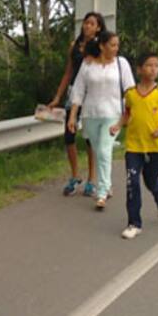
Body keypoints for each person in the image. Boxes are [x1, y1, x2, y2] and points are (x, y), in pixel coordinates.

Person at [110, 53, 158, 240]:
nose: (153, 69)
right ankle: (134, 223)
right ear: (139, 69)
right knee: (132, 183)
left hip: (155, 147)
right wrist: (118, 125)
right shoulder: (131, 94)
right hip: (134, 147)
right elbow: (127, 113)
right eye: (149, 65)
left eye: (156, 66)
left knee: (151, 181)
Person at [67, 31, 135, 210]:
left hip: (113, 114)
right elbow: (78, 90)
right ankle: (108, 184)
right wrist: (73, 115)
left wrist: (129, 115)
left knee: (104, 150)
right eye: (112, 45)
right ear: (102, 46)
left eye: (117, 45)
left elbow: (130, 91)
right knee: (99, 151)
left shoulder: (121, 64)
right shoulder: (88, 64)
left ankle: (102, 192)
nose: (116, 48)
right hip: (90, 114)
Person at [48, 12, 103, 196]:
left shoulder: (99, 47)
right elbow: (68, 73)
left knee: (90, 138)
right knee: (69, 136)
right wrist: (57, 96)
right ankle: (74, 176)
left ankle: (92, 179)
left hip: (91, 96)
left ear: (98, 28)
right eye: (85, 23)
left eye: (91, 23)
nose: (87, 26)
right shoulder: (74, 46)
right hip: (74, 94)